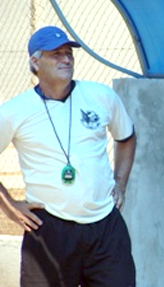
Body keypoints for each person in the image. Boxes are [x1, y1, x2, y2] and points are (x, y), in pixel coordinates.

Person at [0, 26, 137, 286]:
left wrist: (120, 184)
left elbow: (126, 137)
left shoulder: (101, 96)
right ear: (35, 61)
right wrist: (10, 207)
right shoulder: (14, 111)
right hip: (49, 228)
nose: (66, 59)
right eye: (56, 54)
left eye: (68, 53)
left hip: (105, 227)